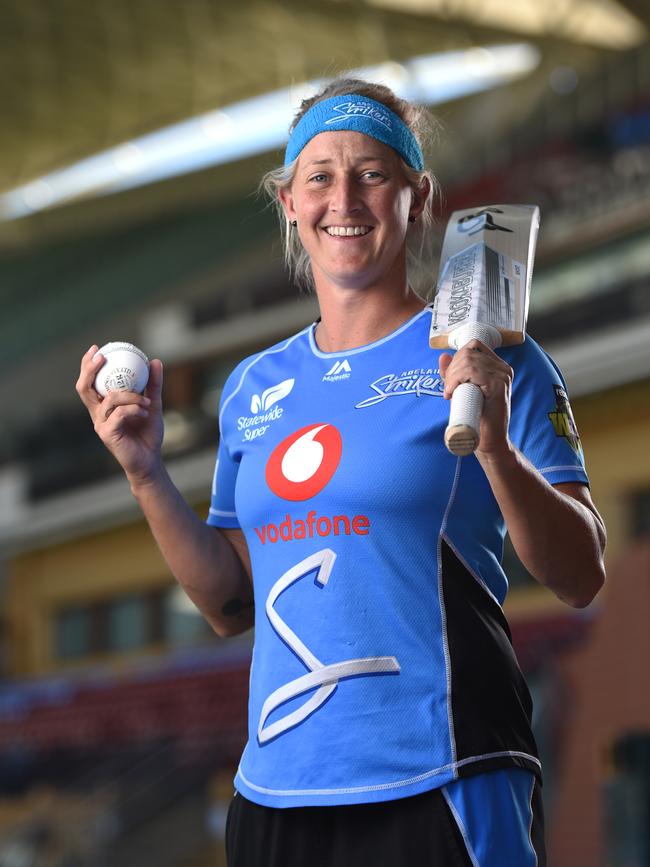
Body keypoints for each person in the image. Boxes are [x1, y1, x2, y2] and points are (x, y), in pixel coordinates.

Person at [76, 78, 606, 867]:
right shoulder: (255, 385)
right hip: (278, 797)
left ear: (416, 196)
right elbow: (228, 601)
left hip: (445, 776)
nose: (344, 198)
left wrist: (495, 448)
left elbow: (581, 573)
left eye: (372, 173)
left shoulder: (494, 358)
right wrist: (146, 472)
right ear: (289, 201)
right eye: (319, 175)